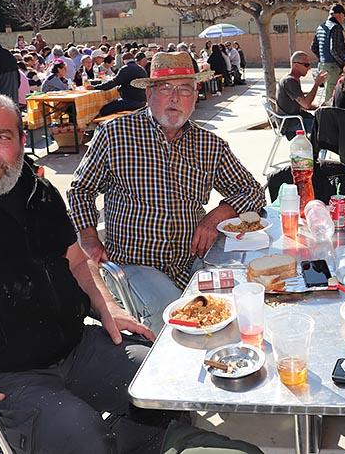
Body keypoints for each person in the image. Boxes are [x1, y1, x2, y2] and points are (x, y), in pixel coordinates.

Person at [0, 91, 262, 454]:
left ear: (21, 141)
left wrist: (107, 306)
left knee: (166, 384)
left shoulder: (38, 191)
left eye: (2, 137)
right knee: (84, 435)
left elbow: (78, 262)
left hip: (76, 348)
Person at [68, 52, 266, 330]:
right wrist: (89, 238)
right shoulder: (115, 134)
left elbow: (253, 191)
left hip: (192, 260)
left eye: (184, 89)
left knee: (244, 301)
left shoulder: (210, 145)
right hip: (136, 265)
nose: (175, 98)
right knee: (180, 322)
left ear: (195, 96)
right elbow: (80, 189)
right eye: (165, 88)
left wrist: (216, 216)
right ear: (149, 93)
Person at [275, 51, 328, 139]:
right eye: (306, 65)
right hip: (291, 123)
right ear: (295, 65)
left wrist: (319, 107)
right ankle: (317, 147)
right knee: (326, 128)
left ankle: (316, 146)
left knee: (325, 123)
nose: (309, 68)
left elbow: (302, 104)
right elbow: (306, 104)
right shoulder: (290, 81)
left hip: (296, 118)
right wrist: (316, 84)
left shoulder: (294, 79)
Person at [87, 51, 148, 116]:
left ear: (123, 61)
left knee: (104, 109)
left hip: (130, 101)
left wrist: (95, 87)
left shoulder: (125, 69)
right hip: (142, 101)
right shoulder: (142, 69)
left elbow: (113, 83)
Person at [311, 4, 345, 101]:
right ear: (339, 14)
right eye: (344, 15)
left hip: (323, 65)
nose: (344, 18)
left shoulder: (321, 27)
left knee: (327, 94)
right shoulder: (335, 27)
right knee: (331, 97)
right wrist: (344, 64)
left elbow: (313, 47)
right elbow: (334, 50)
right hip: (333, 67)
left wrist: (323, 58)